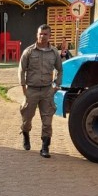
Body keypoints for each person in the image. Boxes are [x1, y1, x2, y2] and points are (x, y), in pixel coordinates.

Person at [18, 24, 62, 158]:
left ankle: (45, 147)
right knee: (26, 119)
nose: (42, 36)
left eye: (45, 34)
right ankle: (25, 135)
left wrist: (56, 85)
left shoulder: (54, 52)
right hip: (31, 90)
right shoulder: (29, 51)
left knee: (47, 121)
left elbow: (59, 69)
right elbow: (21, 69)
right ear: (37, 35)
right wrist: (23, 87)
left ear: (50, 36)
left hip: (47, 91)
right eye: (40, 34)